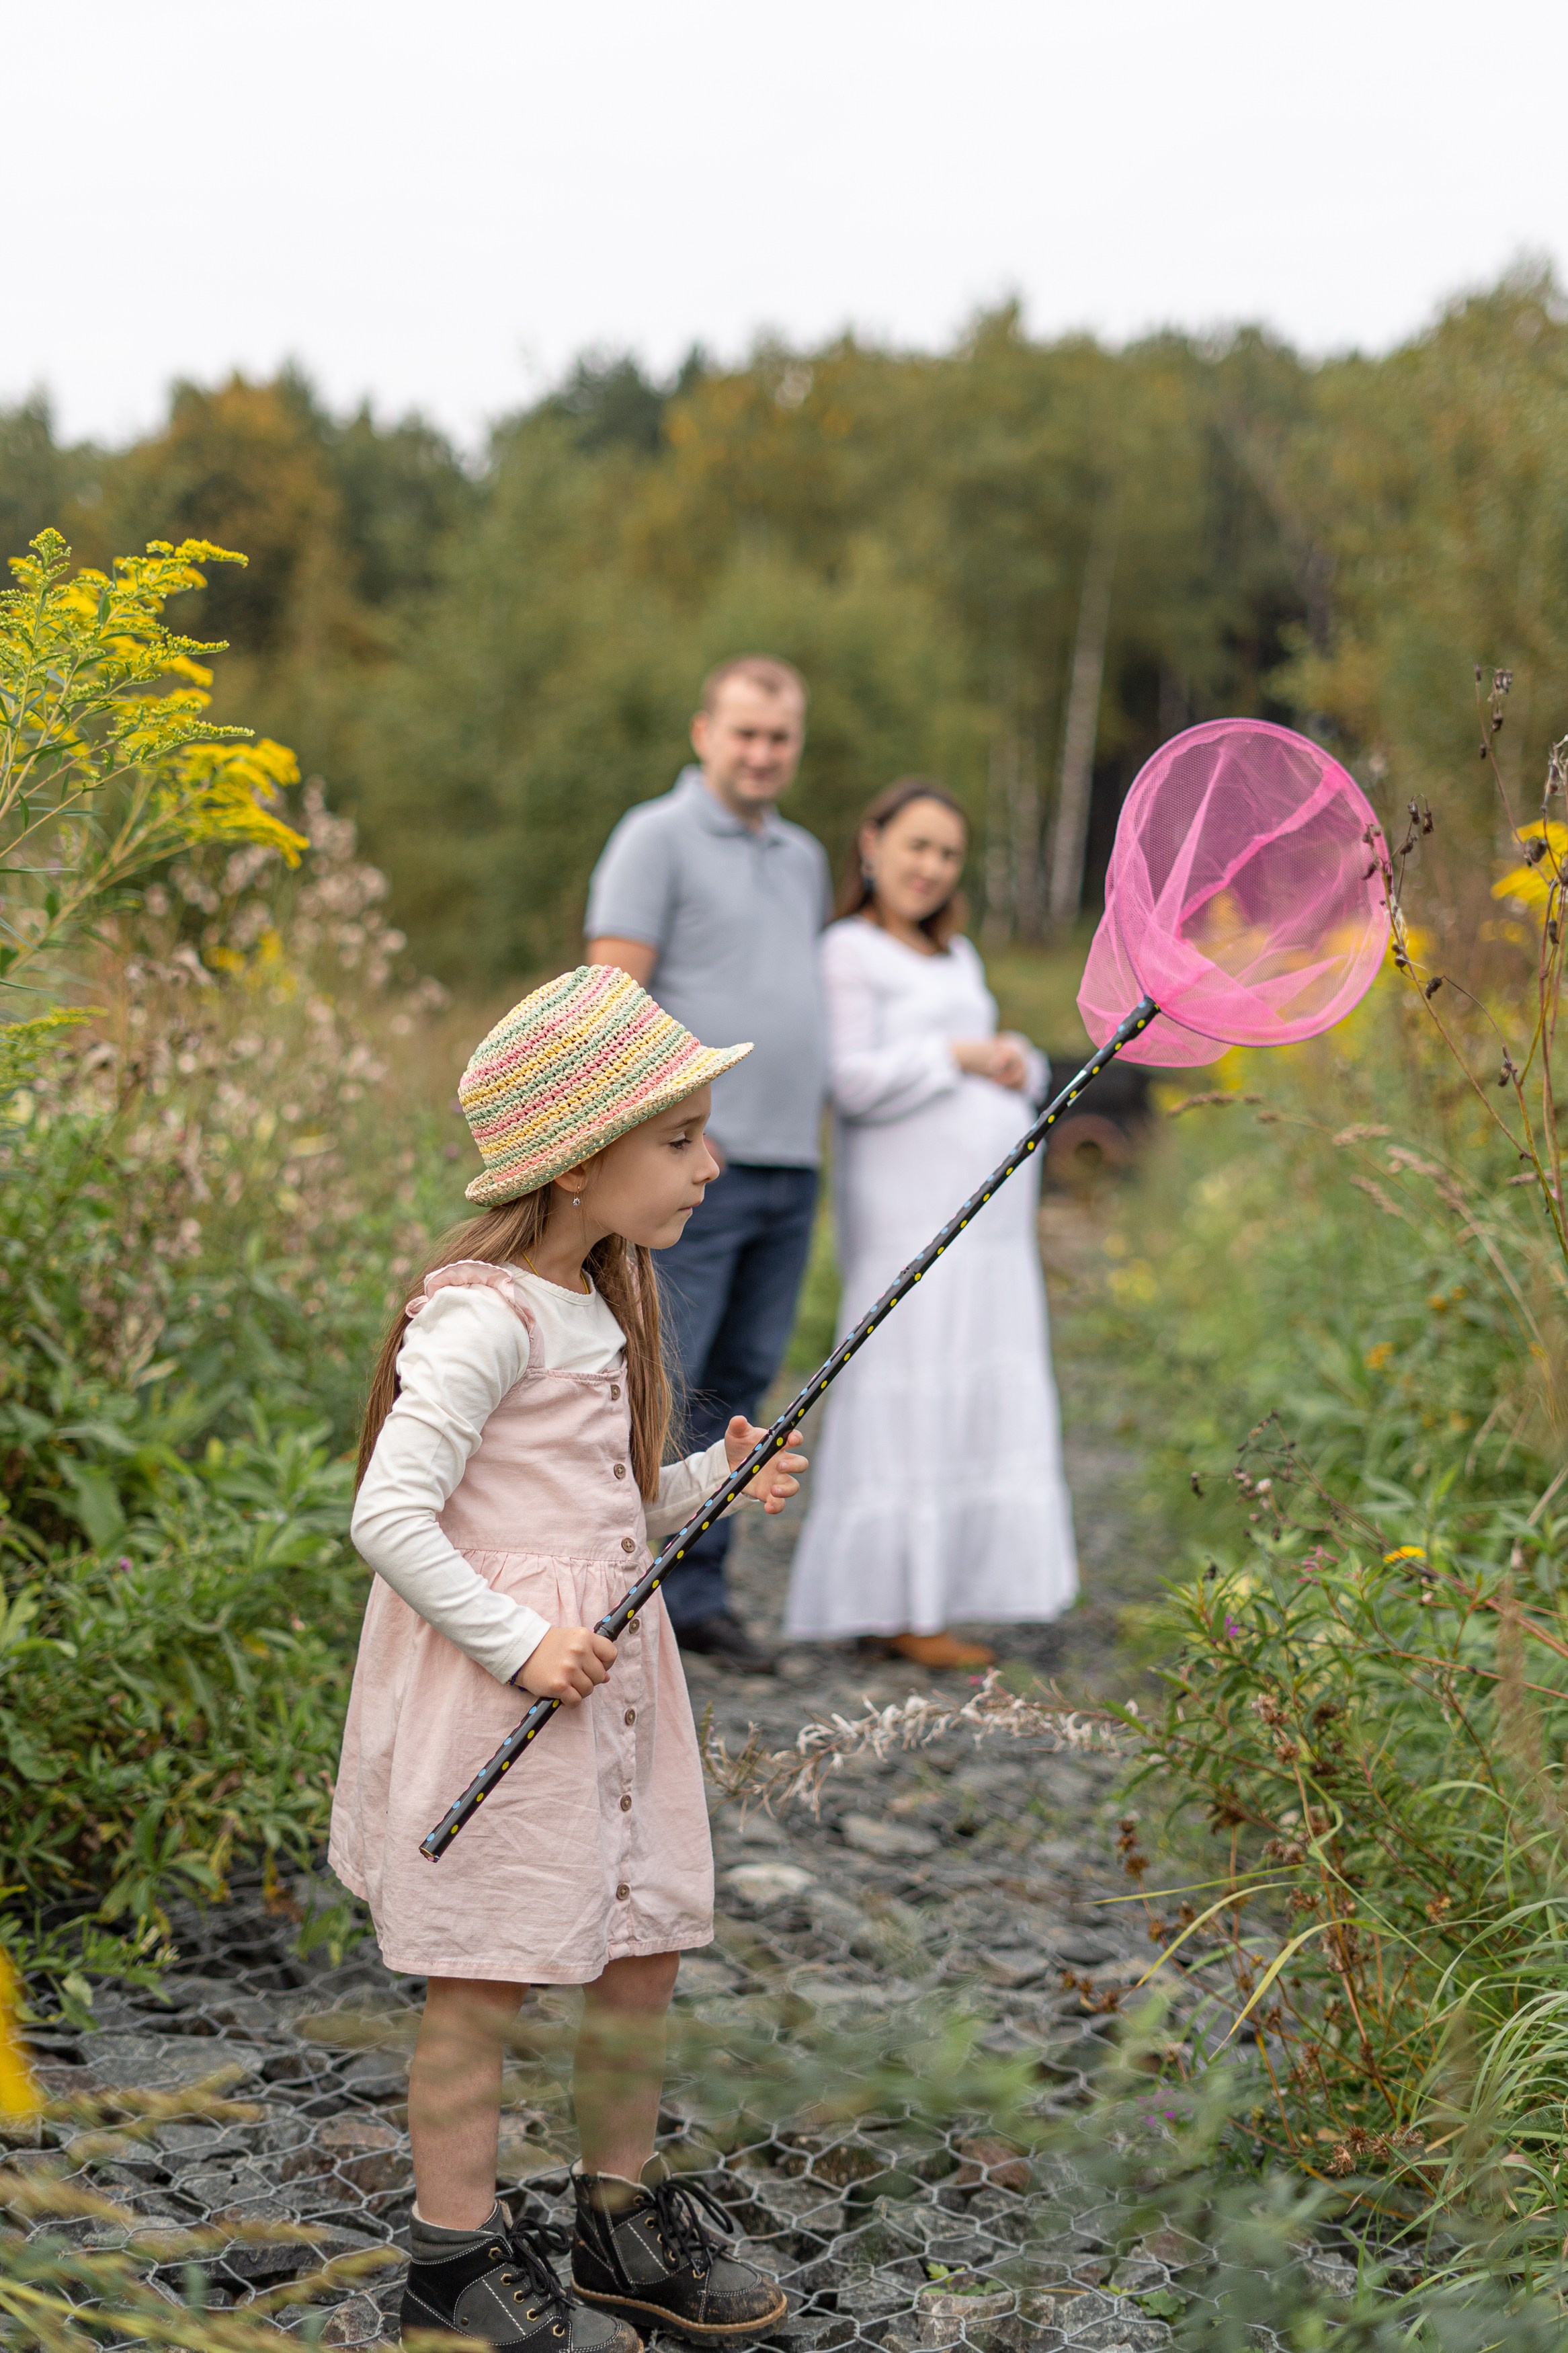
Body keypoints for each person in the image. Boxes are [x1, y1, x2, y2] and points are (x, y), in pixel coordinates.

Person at [329, 965, 804, 2350]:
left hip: (606, 1684)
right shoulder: (483, 1317)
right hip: (506, 1696)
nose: (711, 1167)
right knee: (481, 1974)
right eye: (681, 1139)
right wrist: (520, 1641)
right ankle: (452, 2266)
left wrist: (708, 1479)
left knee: (643, 1947)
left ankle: (617, 2218)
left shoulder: (600, 1299)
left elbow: (595, 1510)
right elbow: (389, 1516)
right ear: (581, 1161)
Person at [784, 779, 1078, 1669]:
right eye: (917, 845)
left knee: (971, 1373)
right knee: (909, 1367)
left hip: (988, 1230)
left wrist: (1013, 1060)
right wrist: (956, 1054)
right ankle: (895, 1600)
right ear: (871, 843)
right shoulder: (847, 949)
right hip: (907, 1212)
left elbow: (998, 1064)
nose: (932, 867)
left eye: (948, 853)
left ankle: (942, 1589)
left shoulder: (957, 956)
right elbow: (850, 1079)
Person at [584, 655, 830, 1673]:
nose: (762, 753)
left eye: (779, 737)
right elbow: (610, 998)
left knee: (740, 1381)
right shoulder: (655, 837)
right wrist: (676, 1135)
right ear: (704, 734)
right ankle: (619, 1590)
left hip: (789, 1161)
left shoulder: (805, 857)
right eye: (745, 733)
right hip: (695, 1166)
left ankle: (699, 1596)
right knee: (665, 1374)